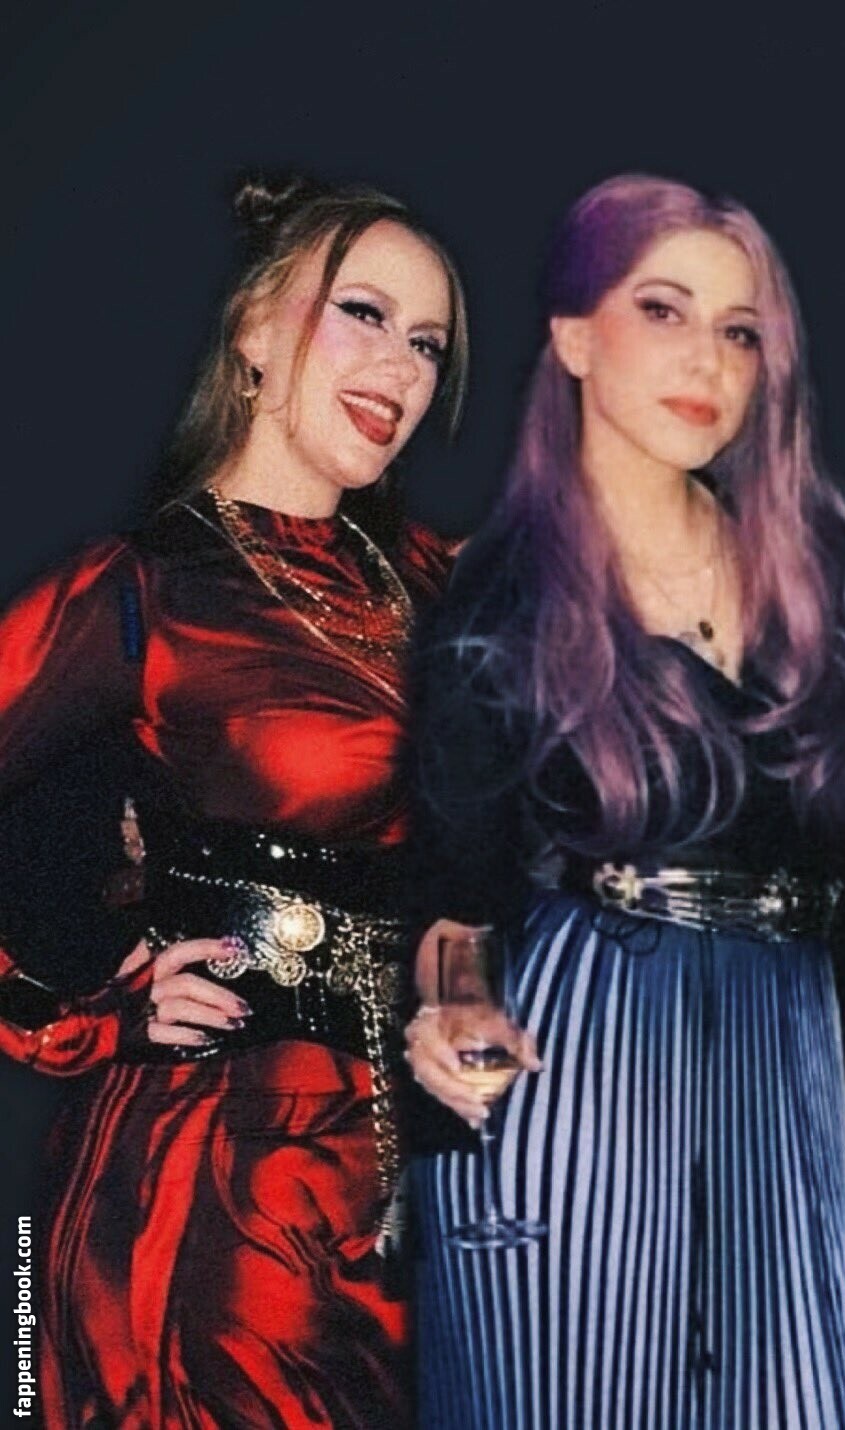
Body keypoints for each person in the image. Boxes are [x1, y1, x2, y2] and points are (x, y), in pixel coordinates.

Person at [402, 173, 845, 1429]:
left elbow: (809, 803)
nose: (707, 358)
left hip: (784, 1028)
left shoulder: (805, 564)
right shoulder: (499, 594)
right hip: (589, 1036)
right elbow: (454, 890)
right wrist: (457, 1001)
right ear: (571, 335)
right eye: (661, 309)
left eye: (739, 329)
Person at [0, 175, 467, 1427]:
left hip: (413, 1183)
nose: (402, 366)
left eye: (428, 343)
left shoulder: (440, 582)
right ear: (256, 329)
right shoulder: (146, 587)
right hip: (213, 1187)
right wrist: (69, 1010)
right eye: (363, 312)